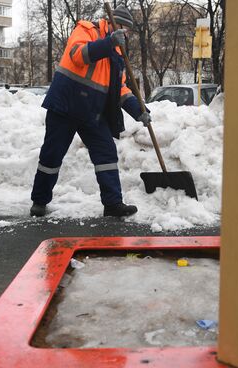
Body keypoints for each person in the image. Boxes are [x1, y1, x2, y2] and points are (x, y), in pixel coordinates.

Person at [29, 6, 151, 218]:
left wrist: (139, 110)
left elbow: (120, 88)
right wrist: (109, 42)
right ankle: (39, 201)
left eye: (129, 31)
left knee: (106, 154)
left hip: (92, 112)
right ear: (114, 23)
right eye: (125, 29)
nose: (127, 34)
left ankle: (113, 204)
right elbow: (78, 55)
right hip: (65, 105)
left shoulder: (117, 55)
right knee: (52, 154)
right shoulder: (86, 29)